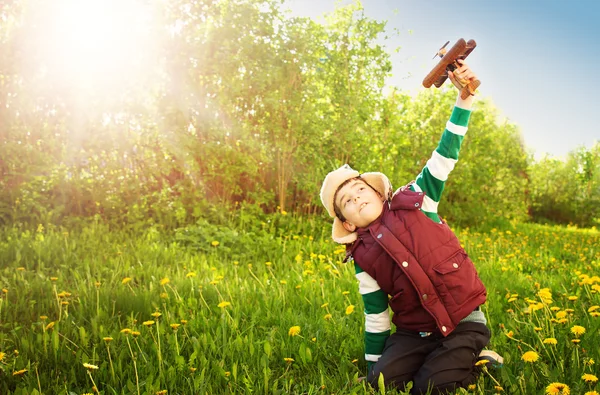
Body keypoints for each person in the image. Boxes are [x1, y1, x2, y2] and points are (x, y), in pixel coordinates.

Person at [319, 60, 503, 394]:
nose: (357, 198)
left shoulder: (416, 199)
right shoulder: (361, 256)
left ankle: (476, 356)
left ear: (378, 192)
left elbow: (445, 154)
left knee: (431, 387)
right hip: (415, 332)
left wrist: (464, 100)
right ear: (347, 222)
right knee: (381, 384)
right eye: (347, 200)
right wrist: (375, 368)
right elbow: (376, 315)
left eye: (360, 189)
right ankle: (429, 358)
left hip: (462, 321)